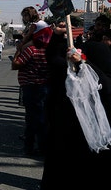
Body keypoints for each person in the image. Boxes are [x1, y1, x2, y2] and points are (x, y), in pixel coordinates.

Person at [41, 21, 111, 189]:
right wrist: (58, 37)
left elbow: (102, 82)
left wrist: (83, 65)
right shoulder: (71, 81)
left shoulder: (95, 82)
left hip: (84, 143)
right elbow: (54, 60)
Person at [11, 22, 52, 156]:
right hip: (45, 87)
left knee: (31, 118)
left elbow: (16, 65)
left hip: (31, 87)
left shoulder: (31, 49)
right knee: (42, 117)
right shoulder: (50, 50)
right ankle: (42, 145)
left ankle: (29, 147)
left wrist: (18, 51)